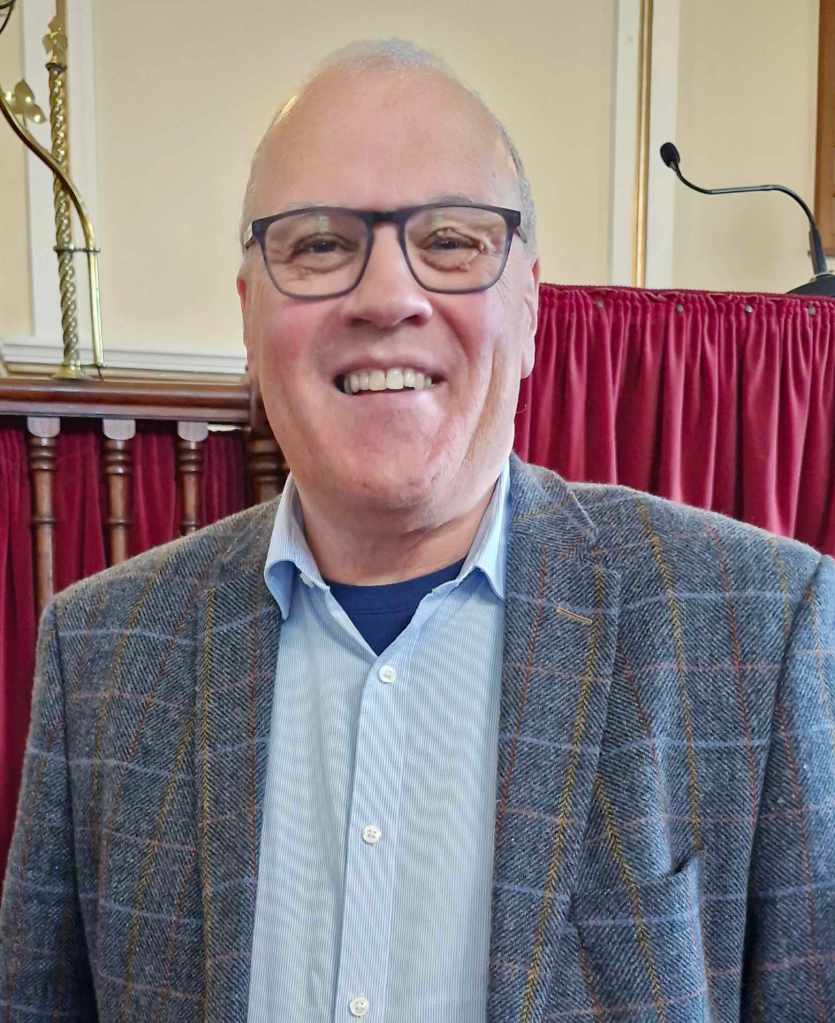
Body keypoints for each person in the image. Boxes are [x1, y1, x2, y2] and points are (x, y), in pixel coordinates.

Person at [2, 37, 834, 1023]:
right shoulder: (97, 651)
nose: (387, 297)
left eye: (450, 241)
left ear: (529, 306)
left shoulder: (759, 630)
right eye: (318, 245)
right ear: (249, 318)